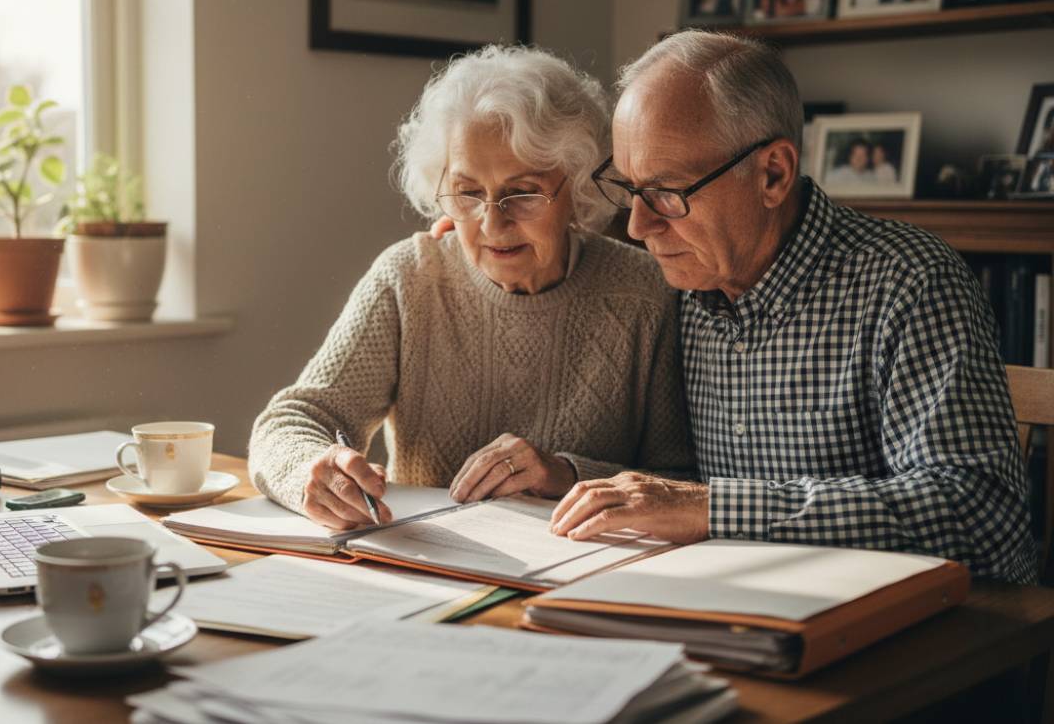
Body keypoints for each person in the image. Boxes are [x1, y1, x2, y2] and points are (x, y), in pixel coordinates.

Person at [549, 31, 1037, 584]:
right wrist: (564, 475)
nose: (639, 226)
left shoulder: (910, 282)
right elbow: (678, 485)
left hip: (930, 633)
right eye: (630, 188)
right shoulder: (686, 287)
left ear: (773, 174)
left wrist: (716, 509)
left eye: (667, 193)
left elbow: (980, 513)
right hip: (750, 605)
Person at [248, 45, 692, 531]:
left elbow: (682, 483)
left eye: (521, 193)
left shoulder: (645, 294)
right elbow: (292, 419)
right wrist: (311, 470)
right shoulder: (411, 277)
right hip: (427, 564)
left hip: (585, 570)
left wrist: (566, 474)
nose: (492, 223)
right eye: (468, 193)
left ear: (578, 184)